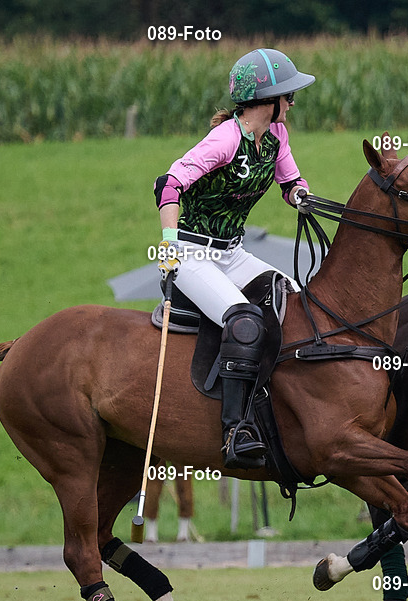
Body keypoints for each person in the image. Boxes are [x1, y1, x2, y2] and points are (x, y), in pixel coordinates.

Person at [153, 48, 314, 469]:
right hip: (191, 255)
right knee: (244, 321)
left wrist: (301, 197)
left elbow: (290, 181)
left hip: (233, 253)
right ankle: (235, 429)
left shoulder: (277, 137)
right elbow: (168, 185)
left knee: (295, 300)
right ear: (268, 99)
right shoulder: (226, 139)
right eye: (288, 96)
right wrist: (168, 243)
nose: (292, 103)